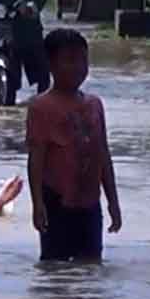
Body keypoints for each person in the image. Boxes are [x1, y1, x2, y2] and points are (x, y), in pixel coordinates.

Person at [26, 29, 122, 263]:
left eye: (83, 59)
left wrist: (113, 202)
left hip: (89, 202)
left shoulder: (94, 105)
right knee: (55, 269)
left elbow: (103, 154)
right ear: (50, 64)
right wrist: (37, 203)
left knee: (91, 267)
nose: (78, 67)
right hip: (56, 201)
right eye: (69, 60)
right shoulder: (41, 107)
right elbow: (36, 159)